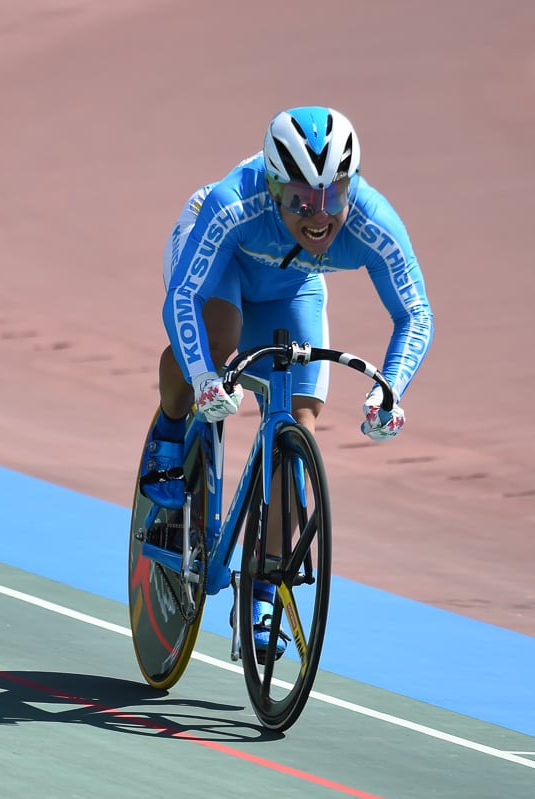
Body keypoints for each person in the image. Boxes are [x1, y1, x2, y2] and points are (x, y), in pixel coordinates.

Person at [140, 106, 433, 656]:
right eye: (302, 199)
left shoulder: (372, 220)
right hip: (218, 266)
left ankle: (259, 591)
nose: (320, 216)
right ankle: (170, 433)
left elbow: (415, 313)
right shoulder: (234, 203)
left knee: (299, 422)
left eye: (334, 196)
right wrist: (204, 374)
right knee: (219, 340)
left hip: (292, 287)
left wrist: (388, 389)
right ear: (274, 187)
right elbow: (182, 296)